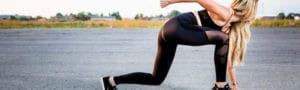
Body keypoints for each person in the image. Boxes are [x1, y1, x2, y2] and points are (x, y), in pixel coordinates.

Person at [101, 0, 259, 90]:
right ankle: (219, 86)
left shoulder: (229, 29)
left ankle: (111, 81)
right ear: (251, 11)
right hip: (177, 27)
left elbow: (226, 60)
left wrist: (235, 85)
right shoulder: (226, 13)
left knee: (156, 78)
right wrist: (170, 1)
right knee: (223, 38)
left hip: (169, 32)